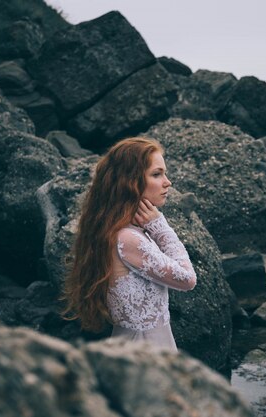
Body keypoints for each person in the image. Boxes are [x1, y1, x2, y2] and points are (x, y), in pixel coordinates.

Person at [61, 137, 197, 350]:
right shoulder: (128, 238)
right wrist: (160, 227)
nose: (167, 182)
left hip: (143, 344)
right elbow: (187, 279)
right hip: (145, 349)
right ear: (131, 181)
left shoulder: (121, 231)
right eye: (156, 174)